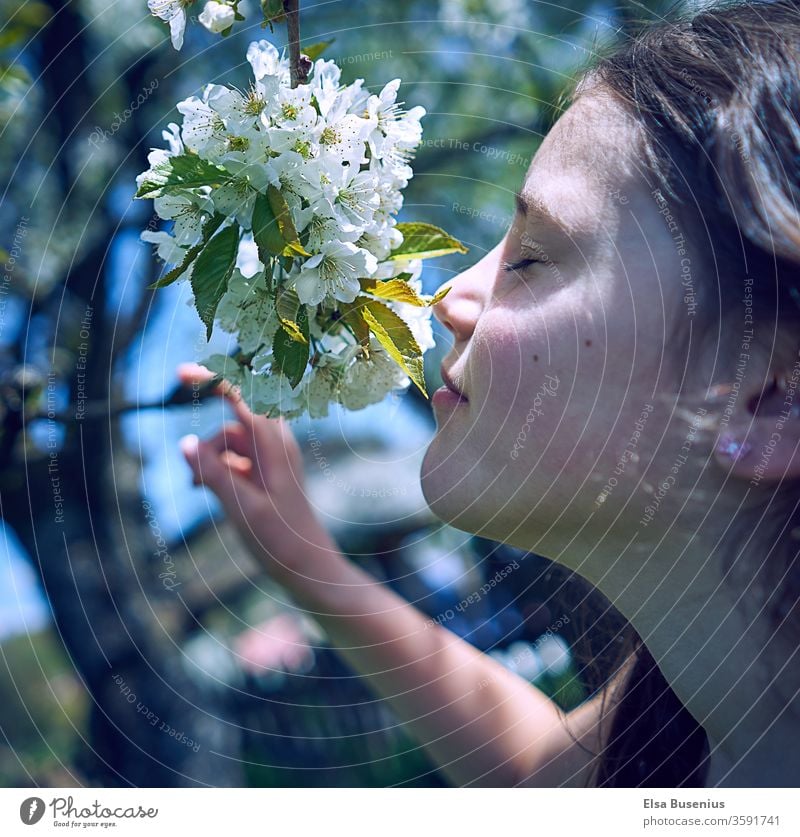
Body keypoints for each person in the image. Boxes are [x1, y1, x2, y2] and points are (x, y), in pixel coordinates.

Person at [176, 0, 800, 787]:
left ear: (770, 393)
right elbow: (539, 770)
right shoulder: (692, 712)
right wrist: (305, 557)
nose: (446, 299)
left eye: (531, 257)